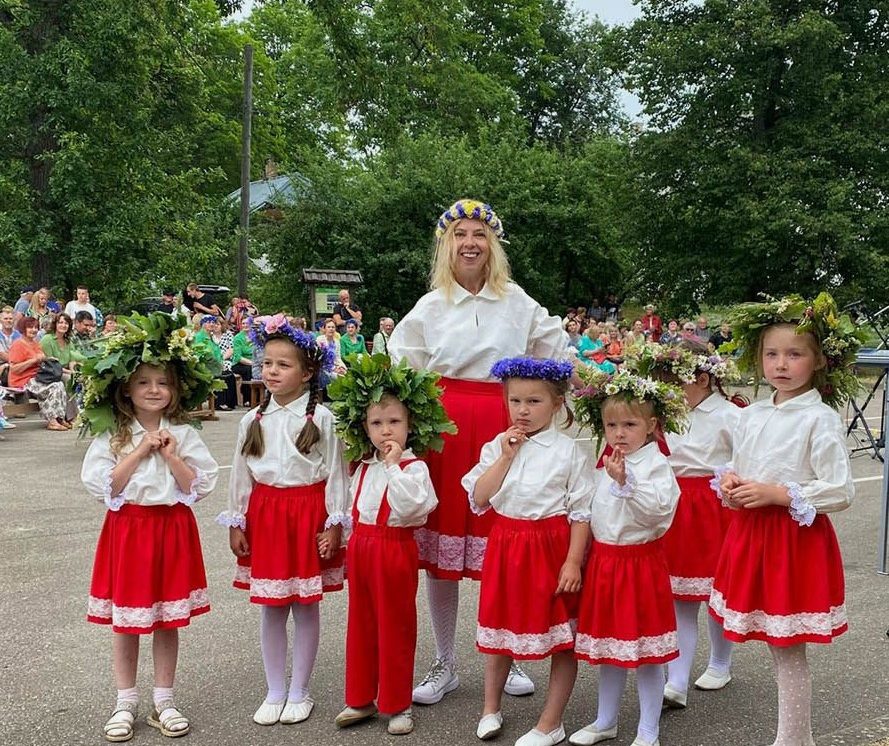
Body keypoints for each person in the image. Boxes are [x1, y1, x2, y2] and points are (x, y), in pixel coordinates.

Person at [388, 198, 569, 704]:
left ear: (493, 244)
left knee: (504, 546)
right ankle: (444, 663)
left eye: (480, 234)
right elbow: (399, 369)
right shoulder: (430, 305)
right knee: (442, 555)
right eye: (460, 234)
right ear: (447, 244)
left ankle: (505, 656)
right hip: (442, 428)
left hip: (502, 423)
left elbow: (556, 353)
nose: (470, 242)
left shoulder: (517, 301)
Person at [710, 293, 860, 746]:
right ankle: (796, 738)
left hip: (793, 540)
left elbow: (840, 489)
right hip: (753, 534)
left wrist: (779, 493)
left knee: (787, 647)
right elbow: (742, 469)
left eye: (794, 354)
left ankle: (793, 739)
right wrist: (734, 487)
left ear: (817, 361)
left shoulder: (818, 419)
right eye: (772, 354)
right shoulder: (751, 415)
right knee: (776, 645)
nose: (781, 363)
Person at [78, 312, 220, 743]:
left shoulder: (185, 433)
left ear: (174, 389)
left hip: (171, 529)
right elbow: (104, 486)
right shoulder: (115, 435)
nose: (155, 390)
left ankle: (164, 699)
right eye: (144, 382)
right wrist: (140, 450)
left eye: (162, 382)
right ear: (126, 389)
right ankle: (125, 701)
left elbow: (199, 485)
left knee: (165, 619)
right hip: (129, 530)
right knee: (128, 620)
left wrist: (173, 455)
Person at [216, 313, 349, 727]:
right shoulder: (251, 421)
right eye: (268, 363)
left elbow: (335, 474)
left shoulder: (323, 420)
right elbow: (241, 473)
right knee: (272, 607)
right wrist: (237, 520)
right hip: (267, 517)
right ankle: (275, 689)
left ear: (308, 372)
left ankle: (299, 691)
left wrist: (333, 523)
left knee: (305, 606)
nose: (271, 371)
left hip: (308, 515)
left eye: (283, 364)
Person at [464, 358, 592, 746]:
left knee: (562, 636)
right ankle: (490, 707)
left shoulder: (569, 452)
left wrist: (572, 560)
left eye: (534, 401)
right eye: (515, 400)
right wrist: (505, 456)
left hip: (552, 545)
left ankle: (551, 721)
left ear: (556, 404)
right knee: (501, 630)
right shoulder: (497, 446)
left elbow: (581, 511)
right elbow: (479, 497)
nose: (522, 410)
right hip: (507, 545)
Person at [328, 355, 452, 736]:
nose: (385, 432)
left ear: (409, 425)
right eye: (376, 423)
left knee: (395, 625)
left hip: (395, 548)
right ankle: (361, 697)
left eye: (394, 422)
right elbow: (353, 506)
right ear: (364, 427)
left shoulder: (414, 467)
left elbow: (415, 508)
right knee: (361, 624)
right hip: (363, 548)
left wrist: (395, 466)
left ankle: (397, 703)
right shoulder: (363, 465)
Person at [570, 369, 688, 746]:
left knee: (647, 651)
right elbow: (590, 511)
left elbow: (658, 512)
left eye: (629, 424)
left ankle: (648, 729)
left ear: (651, 426)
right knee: (610, 647)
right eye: (611, 424)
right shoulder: (605, 463)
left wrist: (626, 484)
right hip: (606, 564)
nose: (619, 432)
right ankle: (606, 720)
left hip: (639, 564)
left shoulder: (655, 466)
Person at [626, 341, 742, 709]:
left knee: (716, 592)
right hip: (674, 503)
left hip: (713, 506)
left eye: (676, 381)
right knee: (679, 596)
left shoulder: (729, 414)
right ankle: (676, 679)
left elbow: (745, 457)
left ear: (703, 379)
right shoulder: (665, 413)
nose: (669, 389)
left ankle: (721, 662)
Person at [7, 317, 73, 430]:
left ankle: (59, 418)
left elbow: (40, 360)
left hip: (38, 377)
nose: (33, 330)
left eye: (35, 328)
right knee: (55, 386)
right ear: (23, 329)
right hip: (24, 380)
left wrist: (47, 359)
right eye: (30, 327)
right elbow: (14, 369)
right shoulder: (18, 345)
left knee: (60, 384)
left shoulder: (35, 343)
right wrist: (33, 361)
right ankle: (52, 421)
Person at [40, 313, 85, 379]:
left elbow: (72, 360)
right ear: (55, 324)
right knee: (71, 379)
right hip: (51, 372)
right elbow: (50, 364)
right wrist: (70, 373)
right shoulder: (47, 339)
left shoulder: (68, 341)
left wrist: (73, 370)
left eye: (66, 323)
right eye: (60, 323)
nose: (63, 325)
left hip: (67, 371)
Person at [0, 305, 22, 386]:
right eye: (5, 319)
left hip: (16, 365)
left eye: (10, 318)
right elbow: (2, 355)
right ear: (1, 320)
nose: (8, 321)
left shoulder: (19, 335)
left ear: (14, 320)